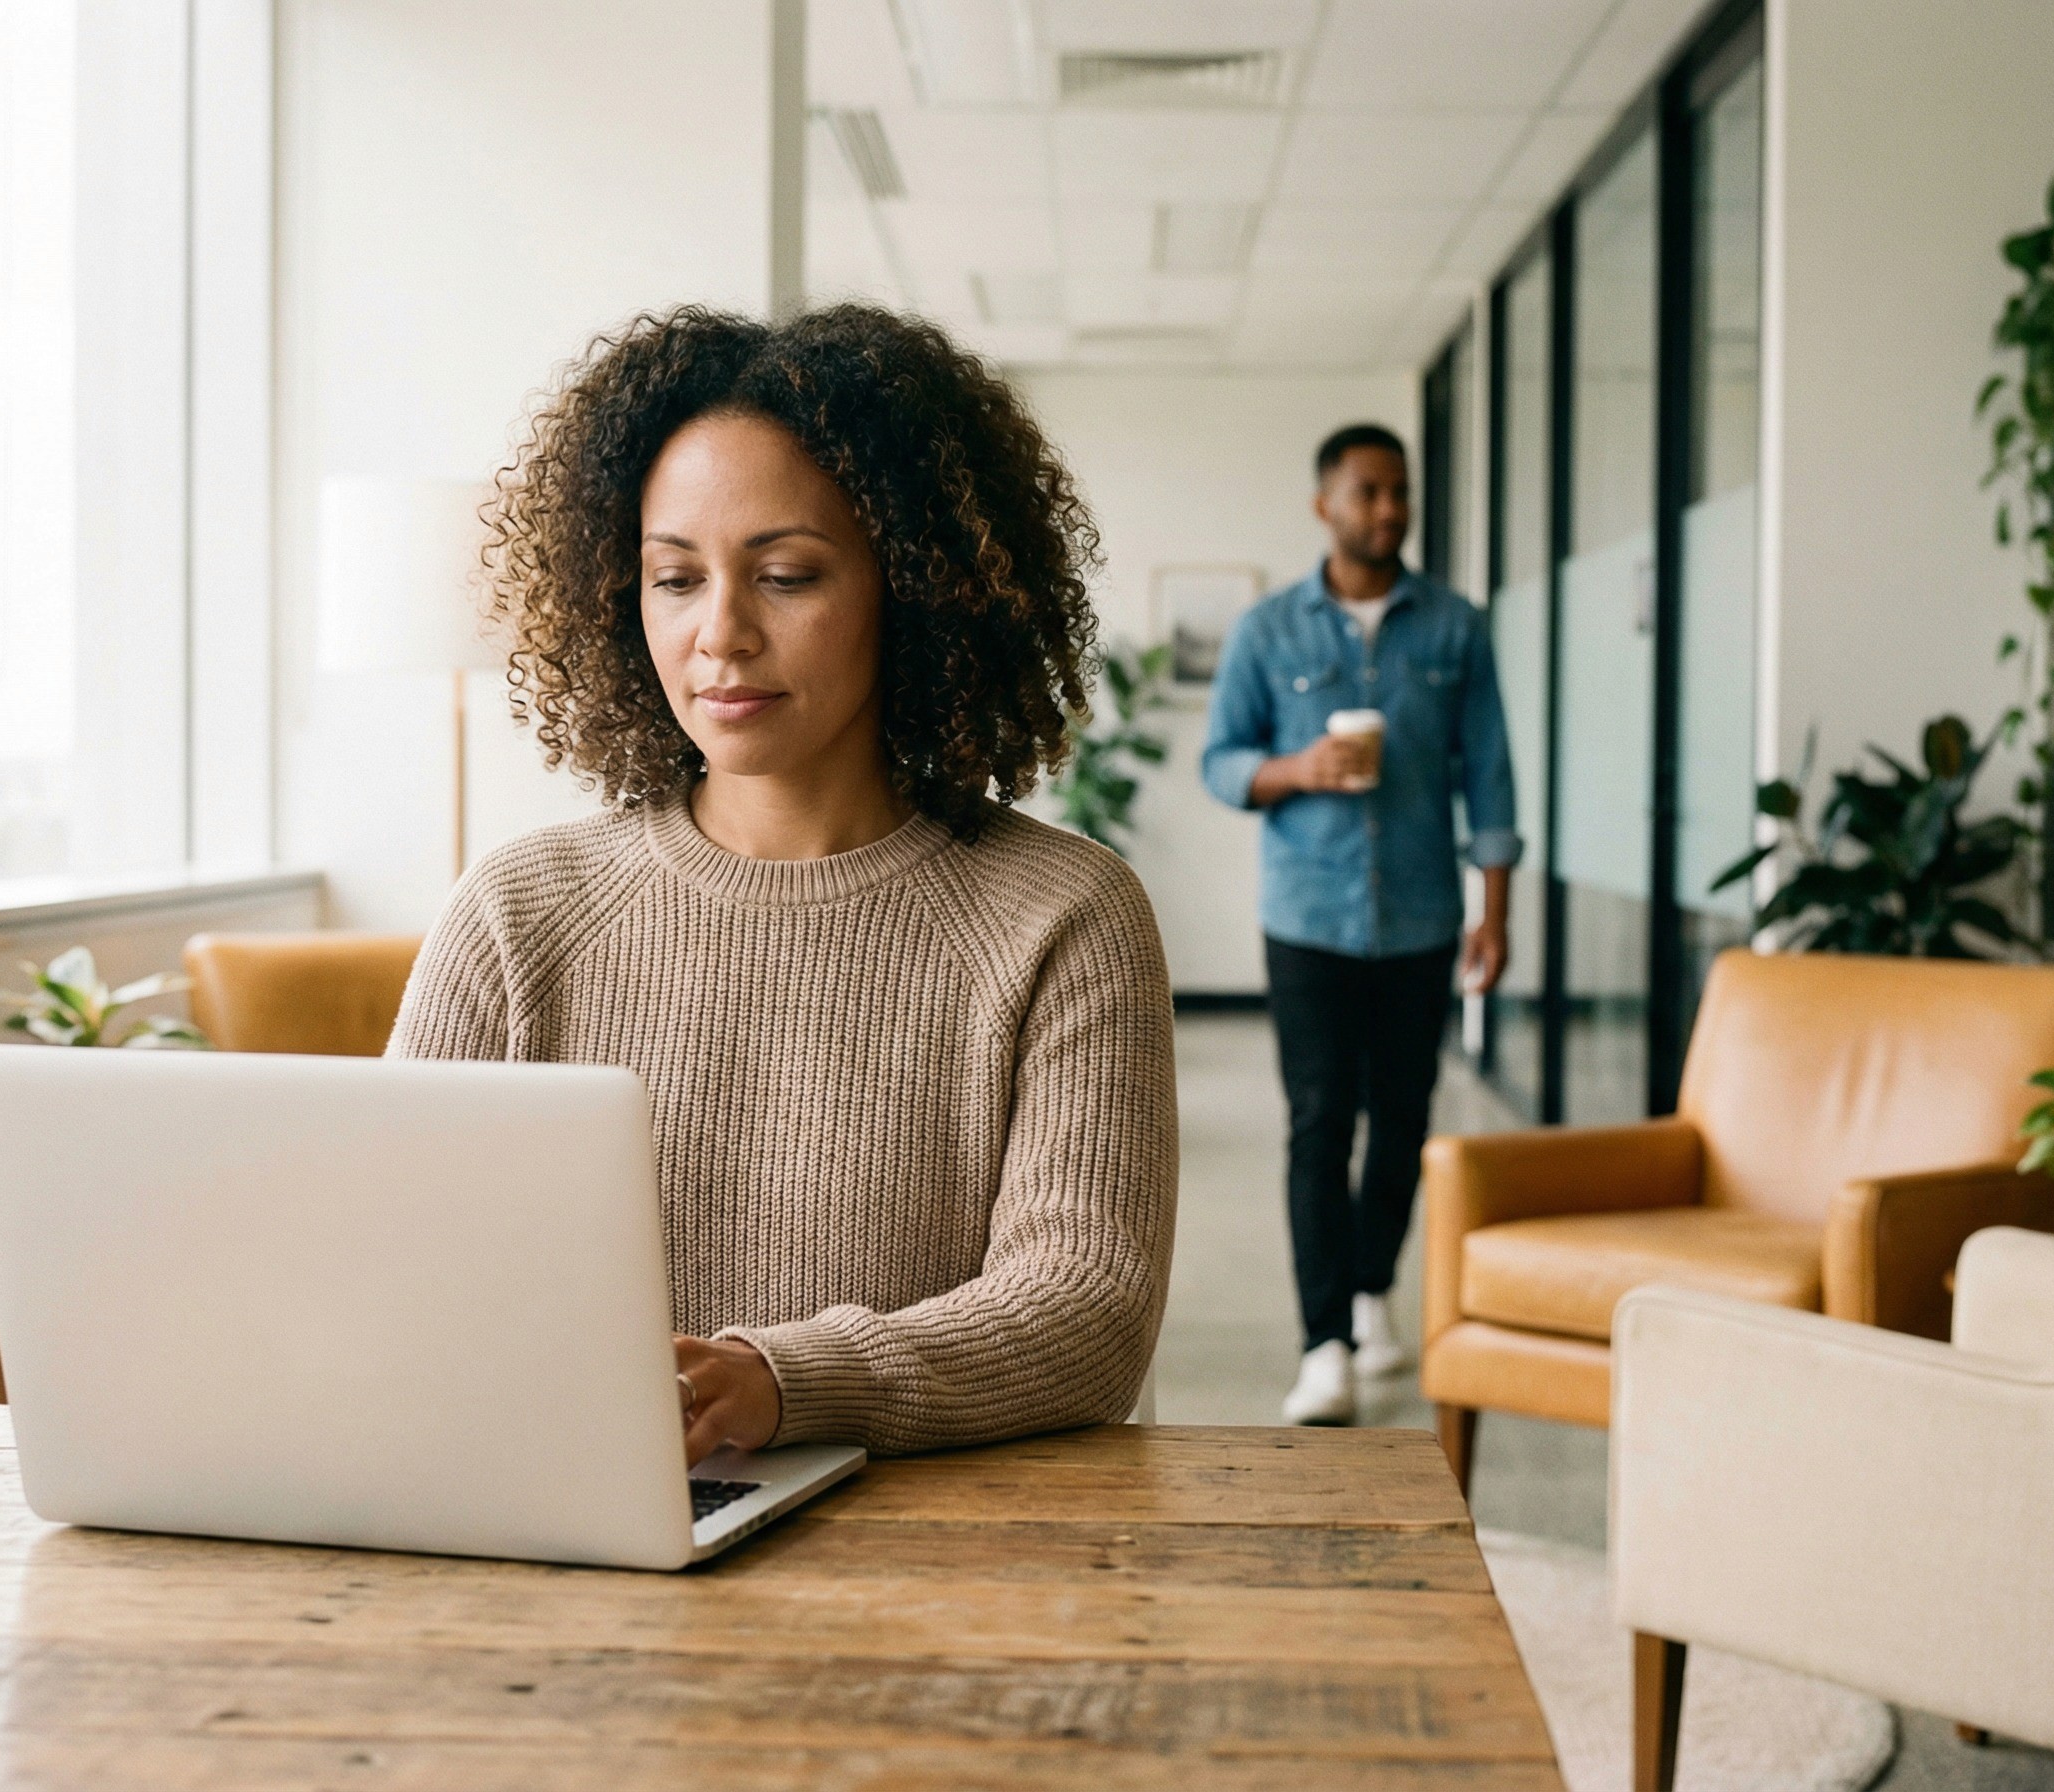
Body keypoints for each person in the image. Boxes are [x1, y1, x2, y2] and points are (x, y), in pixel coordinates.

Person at [388, 304, 1177, 1465]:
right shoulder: (518, 909)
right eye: (674, 578)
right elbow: (387, 1257)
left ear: (913, 589)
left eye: (788, 575)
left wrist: (781, 1379)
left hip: (938, 1569)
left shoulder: (1066, 914)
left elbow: (1087, 1305)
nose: (722, 635)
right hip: (569, 1536)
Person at [1200, 423, 1518, 1426]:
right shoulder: (1269, 630)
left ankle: (1372, 1279)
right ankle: (1324, 1341)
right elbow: (1220, 759)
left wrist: (1492, 913)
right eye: (1370, 492)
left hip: (1423, 917)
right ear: (1325, 504)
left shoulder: (1456, 629)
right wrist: (1295, 770)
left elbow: (1493, 779)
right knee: (1318, 1121)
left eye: (1401, 493)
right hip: (1307, 920)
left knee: (1405, 1119)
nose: (1390, 510)